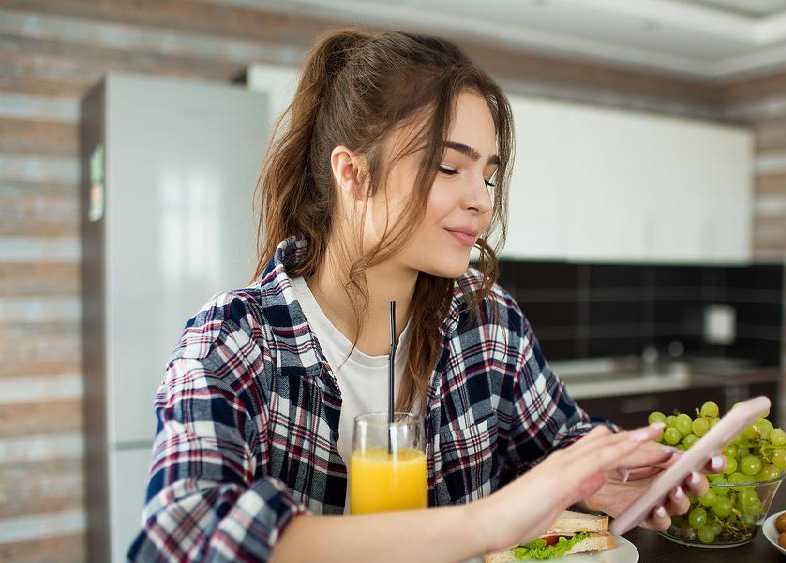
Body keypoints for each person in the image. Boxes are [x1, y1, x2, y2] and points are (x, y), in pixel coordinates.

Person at [128, 29, 723, 562]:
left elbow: (556, 446)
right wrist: (486, 521)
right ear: (353, 173)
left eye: (488, 175)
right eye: (448, 168)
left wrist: (604, 479)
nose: (481, 200)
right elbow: (182, 537)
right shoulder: (235, 339)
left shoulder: (489, 323)